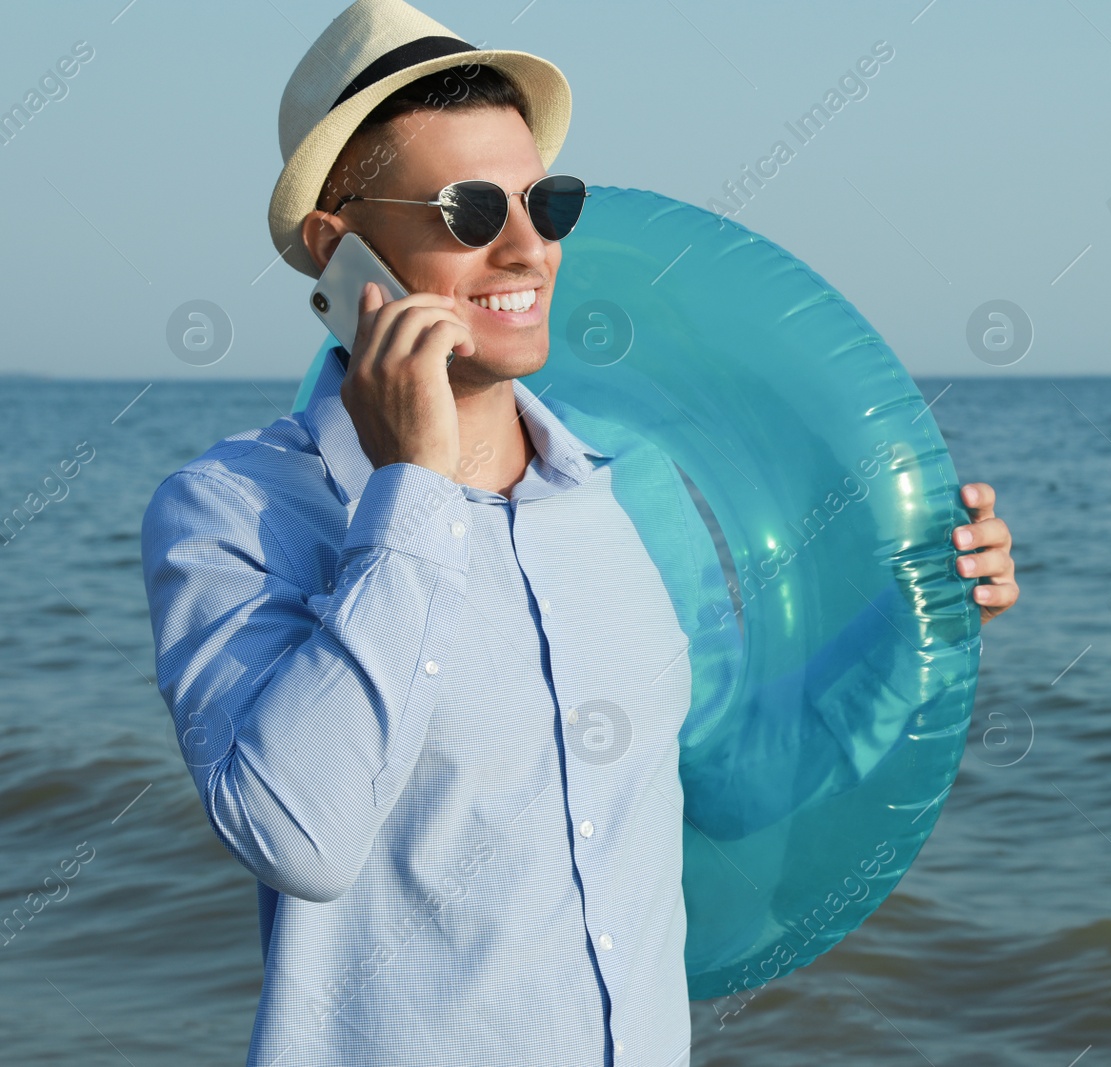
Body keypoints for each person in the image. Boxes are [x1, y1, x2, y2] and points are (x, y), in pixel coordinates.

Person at [140, 1, 1019, 1064]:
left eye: (546, 202)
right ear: (341, 250)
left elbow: (725, 783)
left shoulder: (622, 493)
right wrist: (411, 491)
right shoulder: (231, 510)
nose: (525, 248)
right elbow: (298, 834)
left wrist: (917, 608)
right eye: (469, 211)